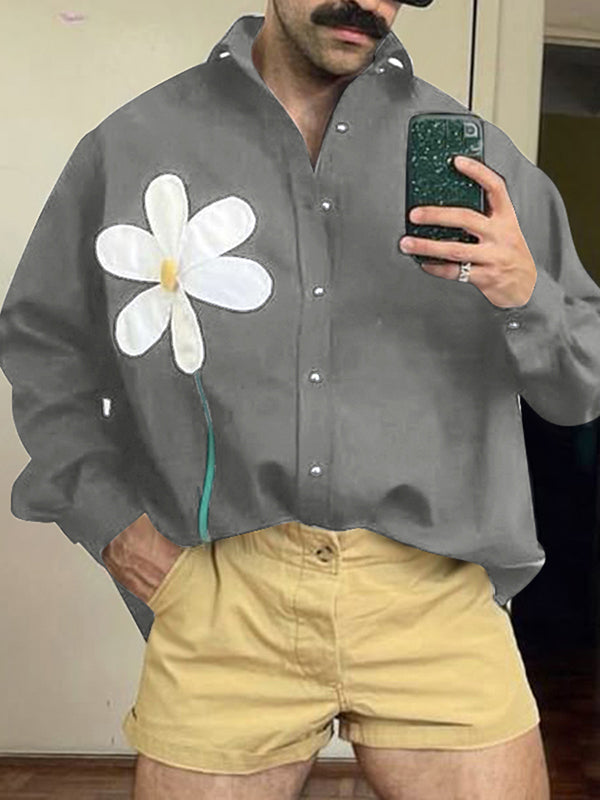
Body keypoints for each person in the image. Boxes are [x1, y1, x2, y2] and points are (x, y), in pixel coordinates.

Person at [4, 0, 600, 797]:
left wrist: (527, 293)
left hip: (434, 601)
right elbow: (45, 346)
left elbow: (581, 390)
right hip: (226, 601)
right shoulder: (134, 146)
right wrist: (113, 524)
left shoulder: (486, 165)